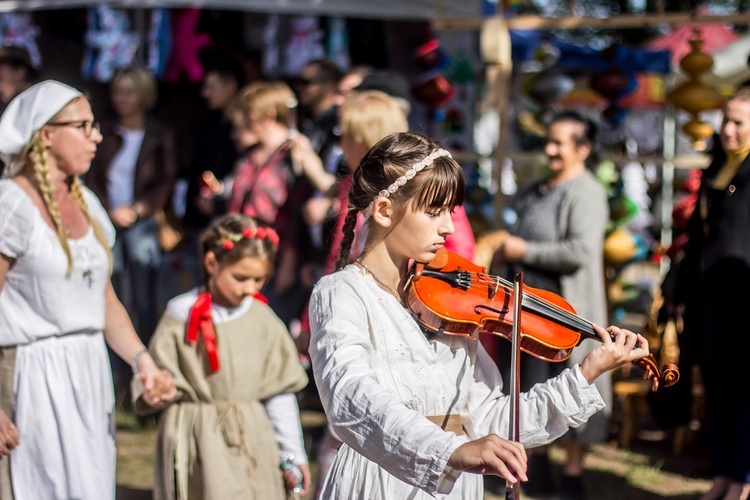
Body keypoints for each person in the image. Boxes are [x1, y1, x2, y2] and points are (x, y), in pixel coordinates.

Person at [308, 131, 651, 499]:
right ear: (385, 210)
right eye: (434, 211)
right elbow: (351, 398)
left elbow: (490, 420)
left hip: (455, 487)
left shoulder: (447, 304)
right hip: (380, 483)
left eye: (450, 212)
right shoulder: (342, 294)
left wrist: (586, 373)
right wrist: (451, 451)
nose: (449, 228)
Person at [0, 79, 175, 499]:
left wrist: (142, 361)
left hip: (86, 369)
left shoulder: (87, 203)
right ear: (45, 134)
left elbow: (102, 299)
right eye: (83, 126)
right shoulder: (10, 204)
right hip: (30, 372)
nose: (97, 136)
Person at [133, 213, 311, 499]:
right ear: (212, 263)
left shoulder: (262, 318)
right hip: (196, 439)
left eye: (259, 279)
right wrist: (156, 389)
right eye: (241, 278)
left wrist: (292, 453)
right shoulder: (181, 314)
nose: (250, 288)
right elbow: (153, 374)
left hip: (252, 436)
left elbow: (279, 394)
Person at [491, 110, 610, 499]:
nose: (551, 149)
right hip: (529, 311)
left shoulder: (586, 191)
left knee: (574, 383)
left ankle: (573, 475)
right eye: (549, 141)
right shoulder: (536, 190)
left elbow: (579, 250)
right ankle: (535, 468)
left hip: (565, 310)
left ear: (583, 149)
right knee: (531, 387)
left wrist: (523, 249)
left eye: (560, 142)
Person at [675, 87, 750, 500]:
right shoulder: (716, 167)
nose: (729, 130)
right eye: (726, 120)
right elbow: (698, 238)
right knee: (716, 389)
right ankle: (722, 475)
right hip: (710, 301)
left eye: (739, 122)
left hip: (743, 302)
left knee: (742, 392)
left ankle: (742, 479)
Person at [86, 65, 178, 346]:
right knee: (109, 287)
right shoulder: (104, 132)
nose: (120, 99)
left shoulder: (159, 134)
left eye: (128, 93)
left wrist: (140, 208)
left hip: (142, 220)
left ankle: (146, 353)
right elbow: (91, 178)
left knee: (144, 294)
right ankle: (116, 359)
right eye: (116, 92)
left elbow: (167, 180)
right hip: (107, 217)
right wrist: (107, 211)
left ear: (142, 95)